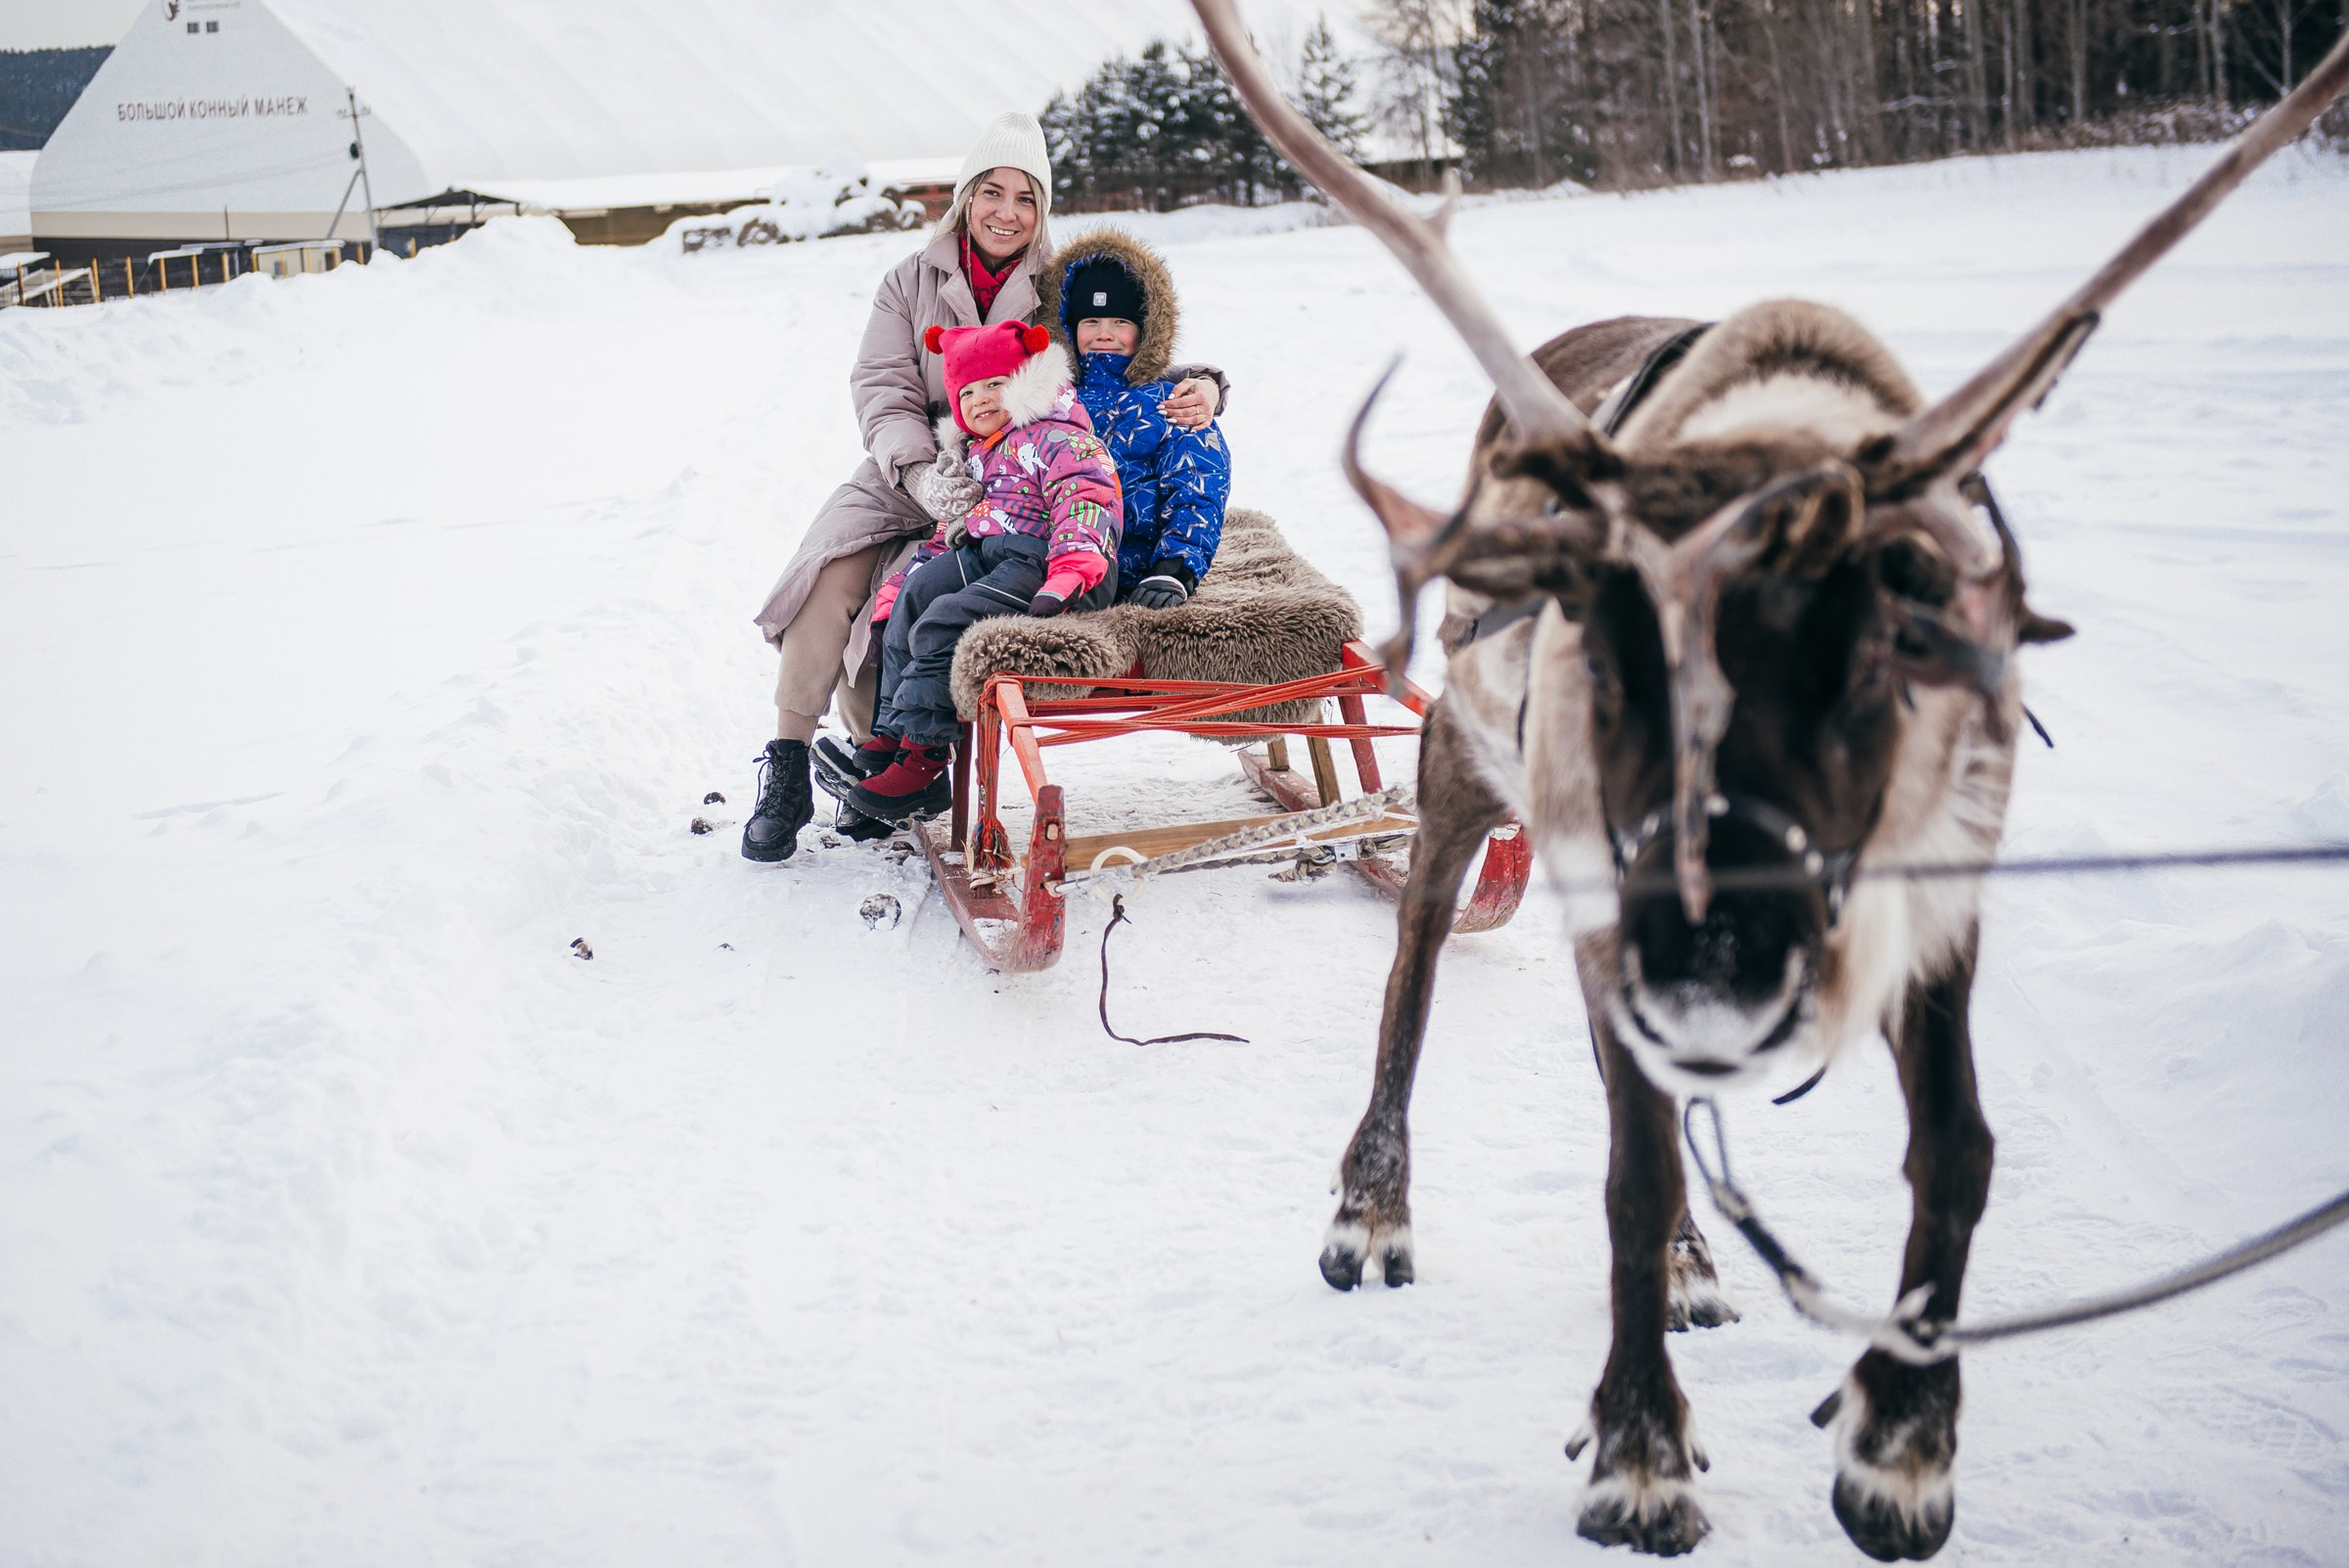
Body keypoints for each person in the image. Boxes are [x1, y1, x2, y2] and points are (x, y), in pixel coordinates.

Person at [742, 113, 1226, 863]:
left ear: (1043, 212)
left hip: (1017, 486)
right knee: (825, 578)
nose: (1007, 212)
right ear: (966, 198)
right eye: (992, 192)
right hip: (911, 474)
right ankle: (787, 766)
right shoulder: (909, 282)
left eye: (1026, 199)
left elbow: (1122, 356)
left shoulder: (1056, 286)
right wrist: (920, 468)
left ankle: (888, 757)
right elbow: (882, 385)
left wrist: (1204, 386)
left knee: (911, 599)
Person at [837, 322, 1120, 824]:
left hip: (1050, 567)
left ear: (1026, 381)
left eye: (994, 384)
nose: (980, 399)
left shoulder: (1060, 439)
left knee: (944, 618)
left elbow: (1087, 504)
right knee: (915, 599)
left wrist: (1068, 575)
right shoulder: (978, 454)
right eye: (966, 391)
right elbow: (953, 531)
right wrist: (900, 589)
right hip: (993, 555)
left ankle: (924, 758)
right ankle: (893, 732)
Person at [1041, 229, 1232, 608]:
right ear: (1067, 328)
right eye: (1091, 322)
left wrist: (1173, 568)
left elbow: (1198, 482)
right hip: (1058, 564)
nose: (1104, 335)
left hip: (1139, 570)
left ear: (1146, 330)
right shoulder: (1052, 401)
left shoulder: (1169, 401)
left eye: (1120, 322)